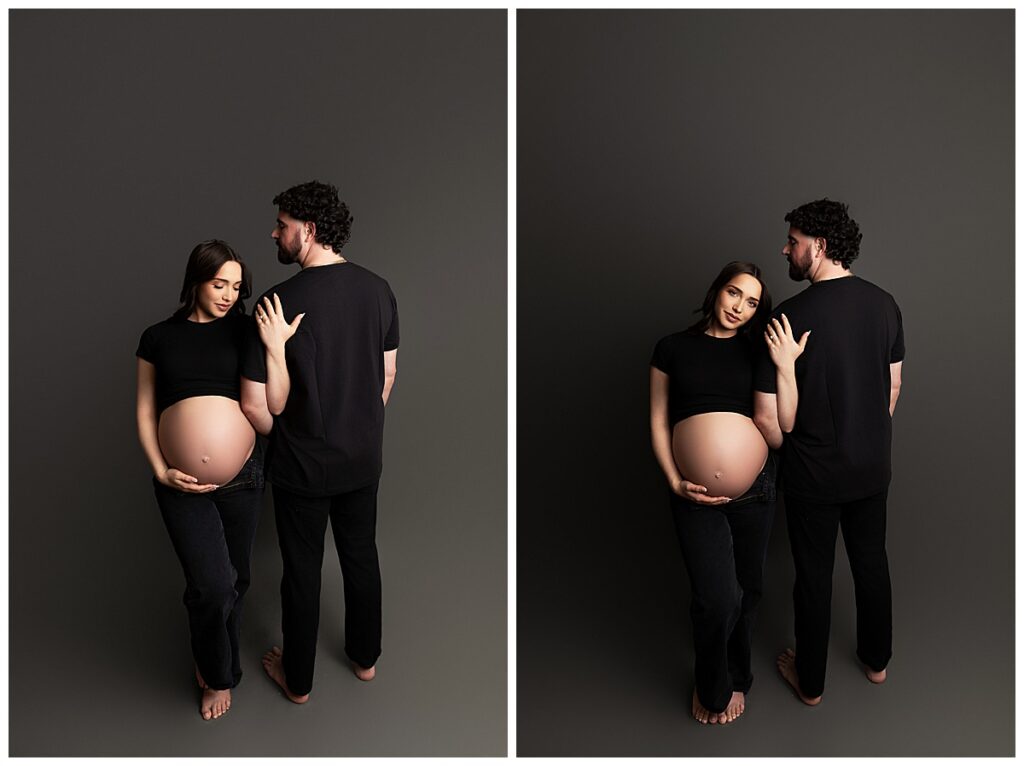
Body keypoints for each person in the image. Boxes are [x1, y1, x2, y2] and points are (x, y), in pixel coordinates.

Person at [240, 181, 399, 704]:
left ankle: (299, 681)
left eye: (282, 225)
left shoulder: (275, 304)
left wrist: (300, 434)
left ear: (307, 230)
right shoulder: (379, 290)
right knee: (361, 556)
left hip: (301, 468)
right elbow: (386, 377)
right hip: (362, 458)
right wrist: (358, 427)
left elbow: (256, 408)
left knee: (302, 573)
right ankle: (366, 660)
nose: (274, 233)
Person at [752, 198, 904, 706]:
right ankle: (877, 663)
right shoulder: (885, 304)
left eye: (793, 241)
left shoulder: (787, 317)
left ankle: (811, 684)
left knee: (814, 577)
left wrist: (793, 449)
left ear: (817, 246)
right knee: (871, 563)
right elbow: (892, 389)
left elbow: (768, 420)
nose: (785, 250)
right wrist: (866, 436)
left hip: (813, 476)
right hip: (871, 466)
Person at [135, 240, 294, 720]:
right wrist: (160, 469)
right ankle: (217, 673)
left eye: (236, 287)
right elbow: (145, 411)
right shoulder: (158, 337)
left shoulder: (247, 331)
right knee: (211, 585)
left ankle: (216, 665)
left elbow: (276, 402)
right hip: (178, 480)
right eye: (219, 284)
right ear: (196, 281)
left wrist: (276, 347)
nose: (228, 295)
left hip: (243, 475)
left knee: (236, 579)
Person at [649, 261, 777, 725]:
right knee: (716, 597)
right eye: (734, 293)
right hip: (693, 492)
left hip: (755, 490)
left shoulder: (759, 351)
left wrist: (784, 363)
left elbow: (774, 419)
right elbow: (658, 420)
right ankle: (712, 686)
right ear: (717, 290)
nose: (740, 307)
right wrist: (673, 479)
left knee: (749, 590)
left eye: (752, 303)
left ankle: (738, 674)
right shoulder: (672, 348)